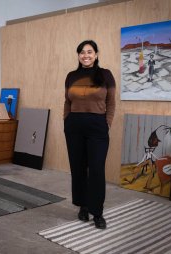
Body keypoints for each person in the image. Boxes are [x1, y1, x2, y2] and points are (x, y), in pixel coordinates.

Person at [63, 40, 116, 229]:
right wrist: (66, 121)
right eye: (82, 52)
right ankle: (83, 206)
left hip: (97, 126)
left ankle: (98, 212)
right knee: (78, 168)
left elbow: (111, 102)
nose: (86, 55)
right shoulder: (71, 76)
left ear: (96, 54)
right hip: (74, 125)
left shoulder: (105, 75)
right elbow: (67, 101)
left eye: (89, 52)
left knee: (96, 169)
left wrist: (106, 123)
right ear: (78, 55)